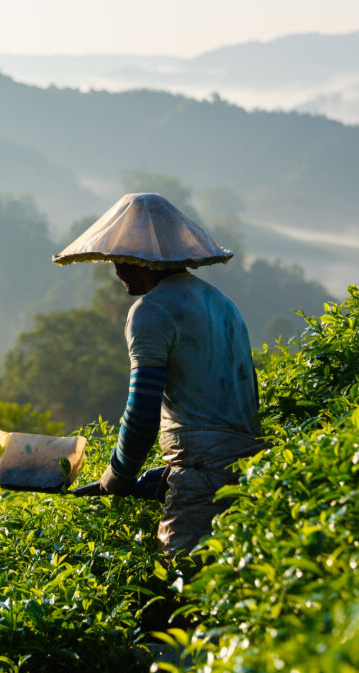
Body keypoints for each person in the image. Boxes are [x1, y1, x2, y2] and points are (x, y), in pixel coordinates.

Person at [53, 193, 267, 560]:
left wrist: (116, 478)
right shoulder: (221, 303)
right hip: (251, 469)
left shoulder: (150, 311)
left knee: (181, 585)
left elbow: (143, 411)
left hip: (202, 479)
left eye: (125, 258)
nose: (118, 269)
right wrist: (164, 474)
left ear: (148, 260)